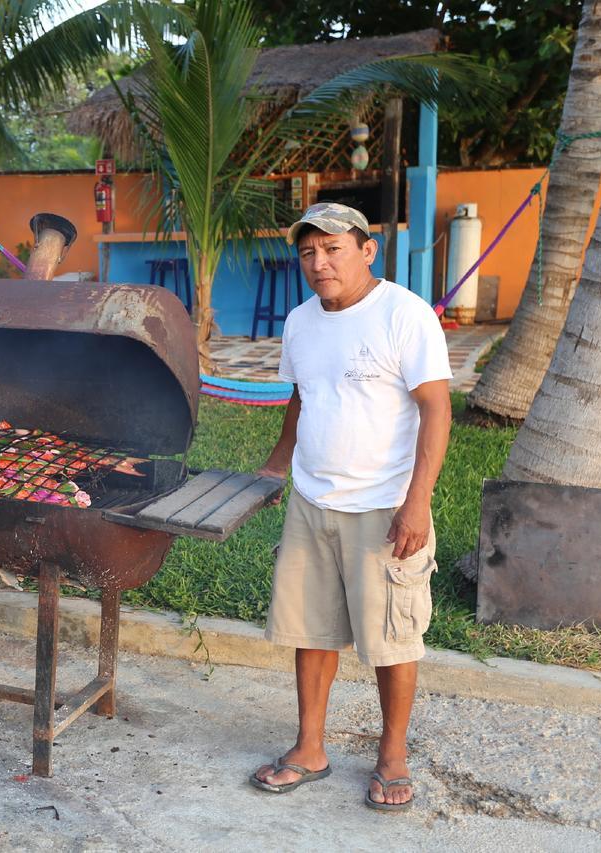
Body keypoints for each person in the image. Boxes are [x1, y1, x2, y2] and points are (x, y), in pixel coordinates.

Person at [248, 203, 452, 811]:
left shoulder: (404, 315)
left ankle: (392, 756)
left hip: (384, 507)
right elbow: (301, 397)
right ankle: (310, 747)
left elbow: (436, 410)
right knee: (311, 631)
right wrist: (277, 464)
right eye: (308, 252)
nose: (319, 262)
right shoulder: (302, 321)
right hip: (313, 500)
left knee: (394, 637)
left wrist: (418, 503)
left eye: (333, 249)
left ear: (368, 250)